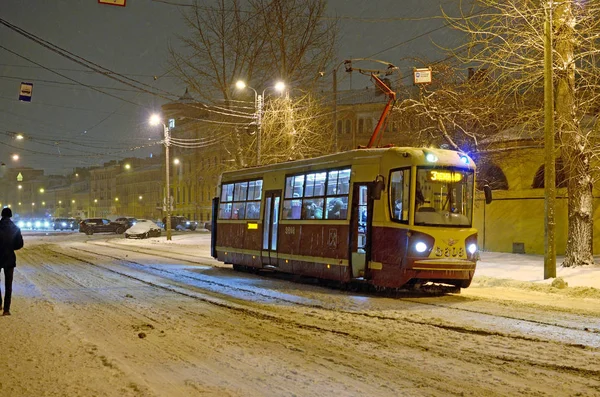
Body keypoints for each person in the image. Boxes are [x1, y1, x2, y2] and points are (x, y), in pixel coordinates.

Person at [0, 207, 24, 316]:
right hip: (9, 258)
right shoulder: (15, 228)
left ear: (1, 215)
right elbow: (19, 245)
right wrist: (10, 247)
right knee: (8, 285)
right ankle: (6, 309)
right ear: (10, 215)